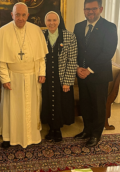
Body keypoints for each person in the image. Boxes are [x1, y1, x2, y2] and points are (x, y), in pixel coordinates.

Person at [0, 2, 48, 148]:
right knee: (12, 108)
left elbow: (40, 57)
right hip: (13, 77)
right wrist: (5, 78)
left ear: (28, 15)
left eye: (23, 15)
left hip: (32, 77)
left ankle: (31, 136)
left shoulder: (36, 30)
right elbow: (1, 61)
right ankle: (9, 136)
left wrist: (42, 73)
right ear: (12, 14)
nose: (20, 18)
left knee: (31, 108)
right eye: (17, 14)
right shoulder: (2, 31)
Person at [73, 0, 118, 147]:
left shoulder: (109, 27)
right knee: (85, 104)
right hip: (82, 75)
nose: (90, 12)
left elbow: (108, 52)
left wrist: (89, 70)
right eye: (87, 9)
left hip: (99, 75)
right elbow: (76, 49)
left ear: (100, 9)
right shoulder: (78, 26)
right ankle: (86, 130)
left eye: (93, 8)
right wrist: (78, 67)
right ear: (84, 10)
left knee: (98, 106)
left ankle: (96, 135)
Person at [41, 11, 77, 142]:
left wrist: (68, 81)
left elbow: (72, 60)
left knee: (60, 102)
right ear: (45, 22)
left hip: (61, 77)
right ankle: (51, 128)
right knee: (48, 101)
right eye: (49, 20)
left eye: (54, 20)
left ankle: (58, 129)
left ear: (59, 21)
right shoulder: (41, 35)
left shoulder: (70, 36)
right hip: (45, 77)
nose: (52, 23)